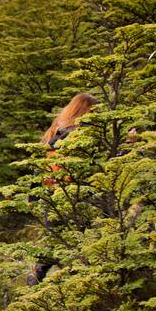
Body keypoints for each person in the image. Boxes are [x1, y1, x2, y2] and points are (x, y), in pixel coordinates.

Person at [28, 92, 97, 285]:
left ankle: (37, 277)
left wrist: (34, 194)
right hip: (75, 194)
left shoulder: (56, 130)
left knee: (55, 240)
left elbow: (39, 165)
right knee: (77, 241)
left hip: (51, 194)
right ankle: (74, 283)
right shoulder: (82, 133)